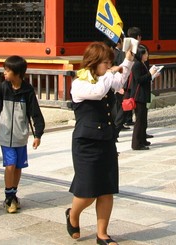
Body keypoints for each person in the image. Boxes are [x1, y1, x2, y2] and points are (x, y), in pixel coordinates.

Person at [65, 42, 124, 244]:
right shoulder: (80, 83)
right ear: (94, 62)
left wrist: (130, 61)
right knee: (88, 191)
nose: (109, 66)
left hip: (106, 140)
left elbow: (120, 82)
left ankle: (102, 233)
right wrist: (110, 74)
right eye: (105, 62)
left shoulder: (105, 80)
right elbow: (97, 92)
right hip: (86, 142)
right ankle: (73, 214)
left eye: (110, 62)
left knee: (107, 189)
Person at [0, 55, 45, 214]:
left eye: (7, 70)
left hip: (21, 135)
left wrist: (38, 134)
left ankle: (13, 194)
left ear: (18, 73)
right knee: (10, 165)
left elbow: (36, 113)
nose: (4, 73)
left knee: (19, 166)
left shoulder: (27, 91)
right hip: (5, 134)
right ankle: (8, 197)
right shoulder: (2, 88)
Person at [129, 45, 160, 151]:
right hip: (139, 96)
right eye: (145, 53)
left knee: (143, 119)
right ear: (141, 54)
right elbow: (139, 79)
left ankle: (142, 139)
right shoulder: (137, 65)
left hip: (143, 94)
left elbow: (146, 78)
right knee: (139, 120)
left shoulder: (142, 64)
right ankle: (136, 143)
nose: (147, 55)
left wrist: (153, 75)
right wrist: (150, 74)